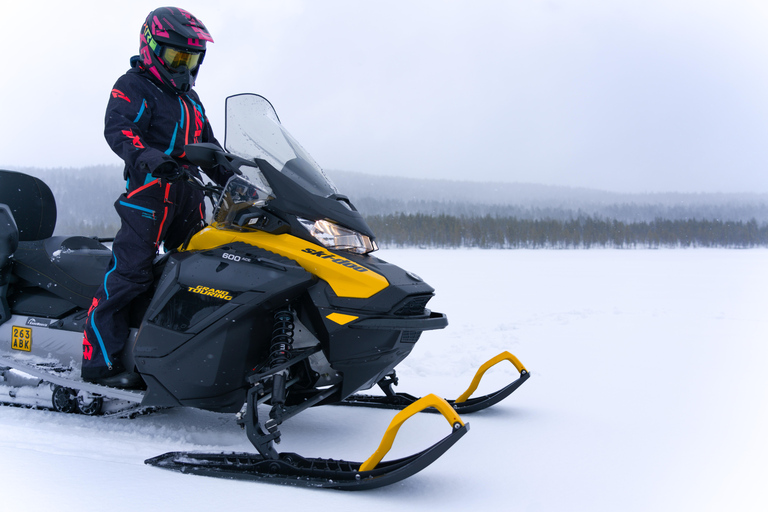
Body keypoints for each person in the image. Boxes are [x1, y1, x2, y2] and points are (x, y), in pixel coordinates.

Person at [82, 7, 233, 388]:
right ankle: (98, 363)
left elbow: (209, 147)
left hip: (189, 194)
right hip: (149, 194)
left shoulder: (191, 99)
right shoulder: (134, 85)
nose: (184, 67)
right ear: (151, 48)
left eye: (191, 59)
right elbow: (120, 130)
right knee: (129, 276)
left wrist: (239, 174)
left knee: (199, 275)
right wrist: (153, 159)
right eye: (176, 57)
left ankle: (182, 357)